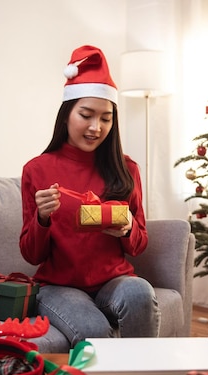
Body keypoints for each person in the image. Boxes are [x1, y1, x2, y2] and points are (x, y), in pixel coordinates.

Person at [19, 45, 160, 347]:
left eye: (106, 118)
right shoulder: (37, 170)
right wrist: (42, 218)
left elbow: (140, 243)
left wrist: (127, 228)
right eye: (86, 115)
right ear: (67, 114)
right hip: (58, 286)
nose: (96, 128)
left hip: (113, 280)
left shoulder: (127, 169)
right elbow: (31, 255)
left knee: (140, 293)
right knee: (93, 328)